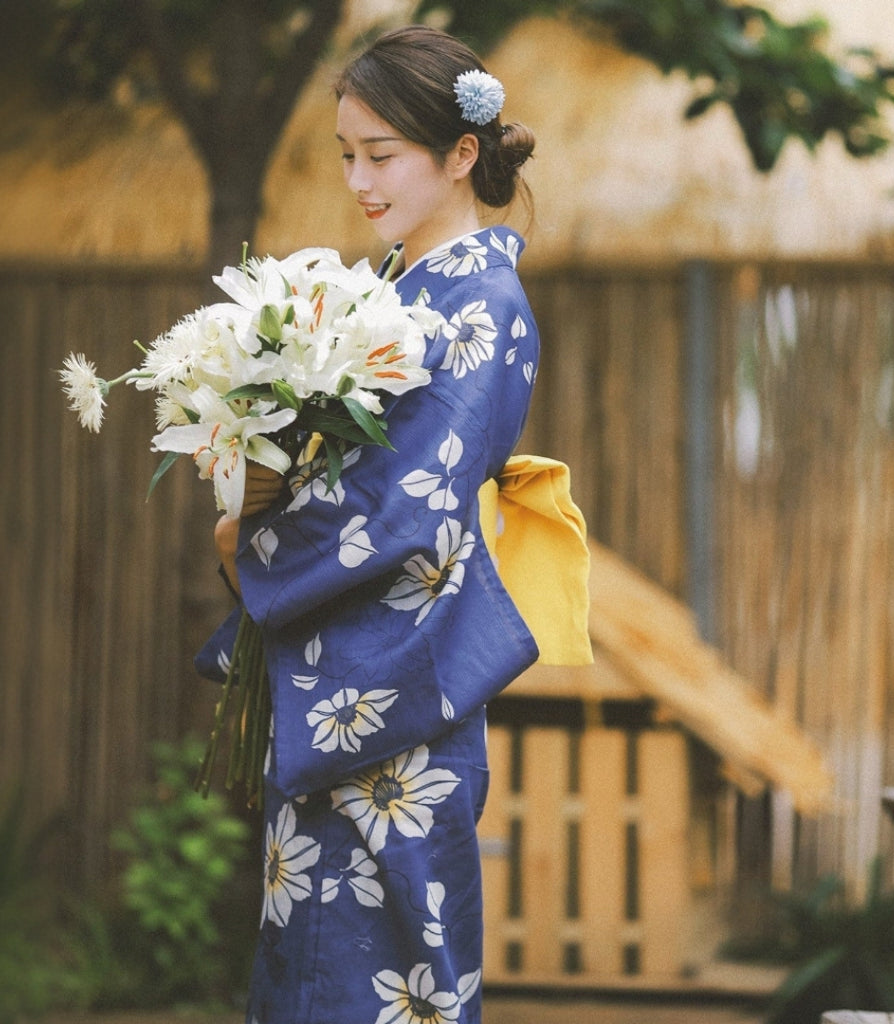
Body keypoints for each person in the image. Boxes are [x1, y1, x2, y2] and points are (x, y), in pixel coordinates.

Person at [199, 24, 544, 1024]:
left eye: (380, 154)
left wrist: (249, 545)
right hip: (348, 677)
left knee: (377, 983)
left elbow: (407, 507)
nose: (359, 177)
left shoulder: (481, 303)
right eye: (347, 153)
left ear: (460, 153)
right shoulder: (396, 289)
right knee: (319, 968)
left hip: (393, 693)